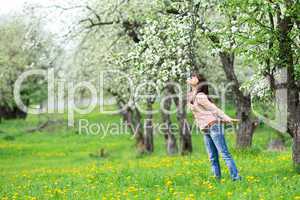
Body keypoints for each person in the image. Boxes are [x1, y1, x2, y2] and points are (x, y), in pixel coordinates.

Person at [186, 72, 241, 181]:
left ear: (199, 80)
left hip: (213, 127)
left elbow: (213, 109)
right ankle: (217, 180)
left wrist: (226, 118)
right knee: (212, 157)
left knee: (224, 154)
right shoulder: (190, 96)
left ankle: (236, 178)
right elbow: (201, 113)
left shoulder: (200, 96)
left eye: (193, 76)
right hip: (205, 130)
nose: (190, 77)